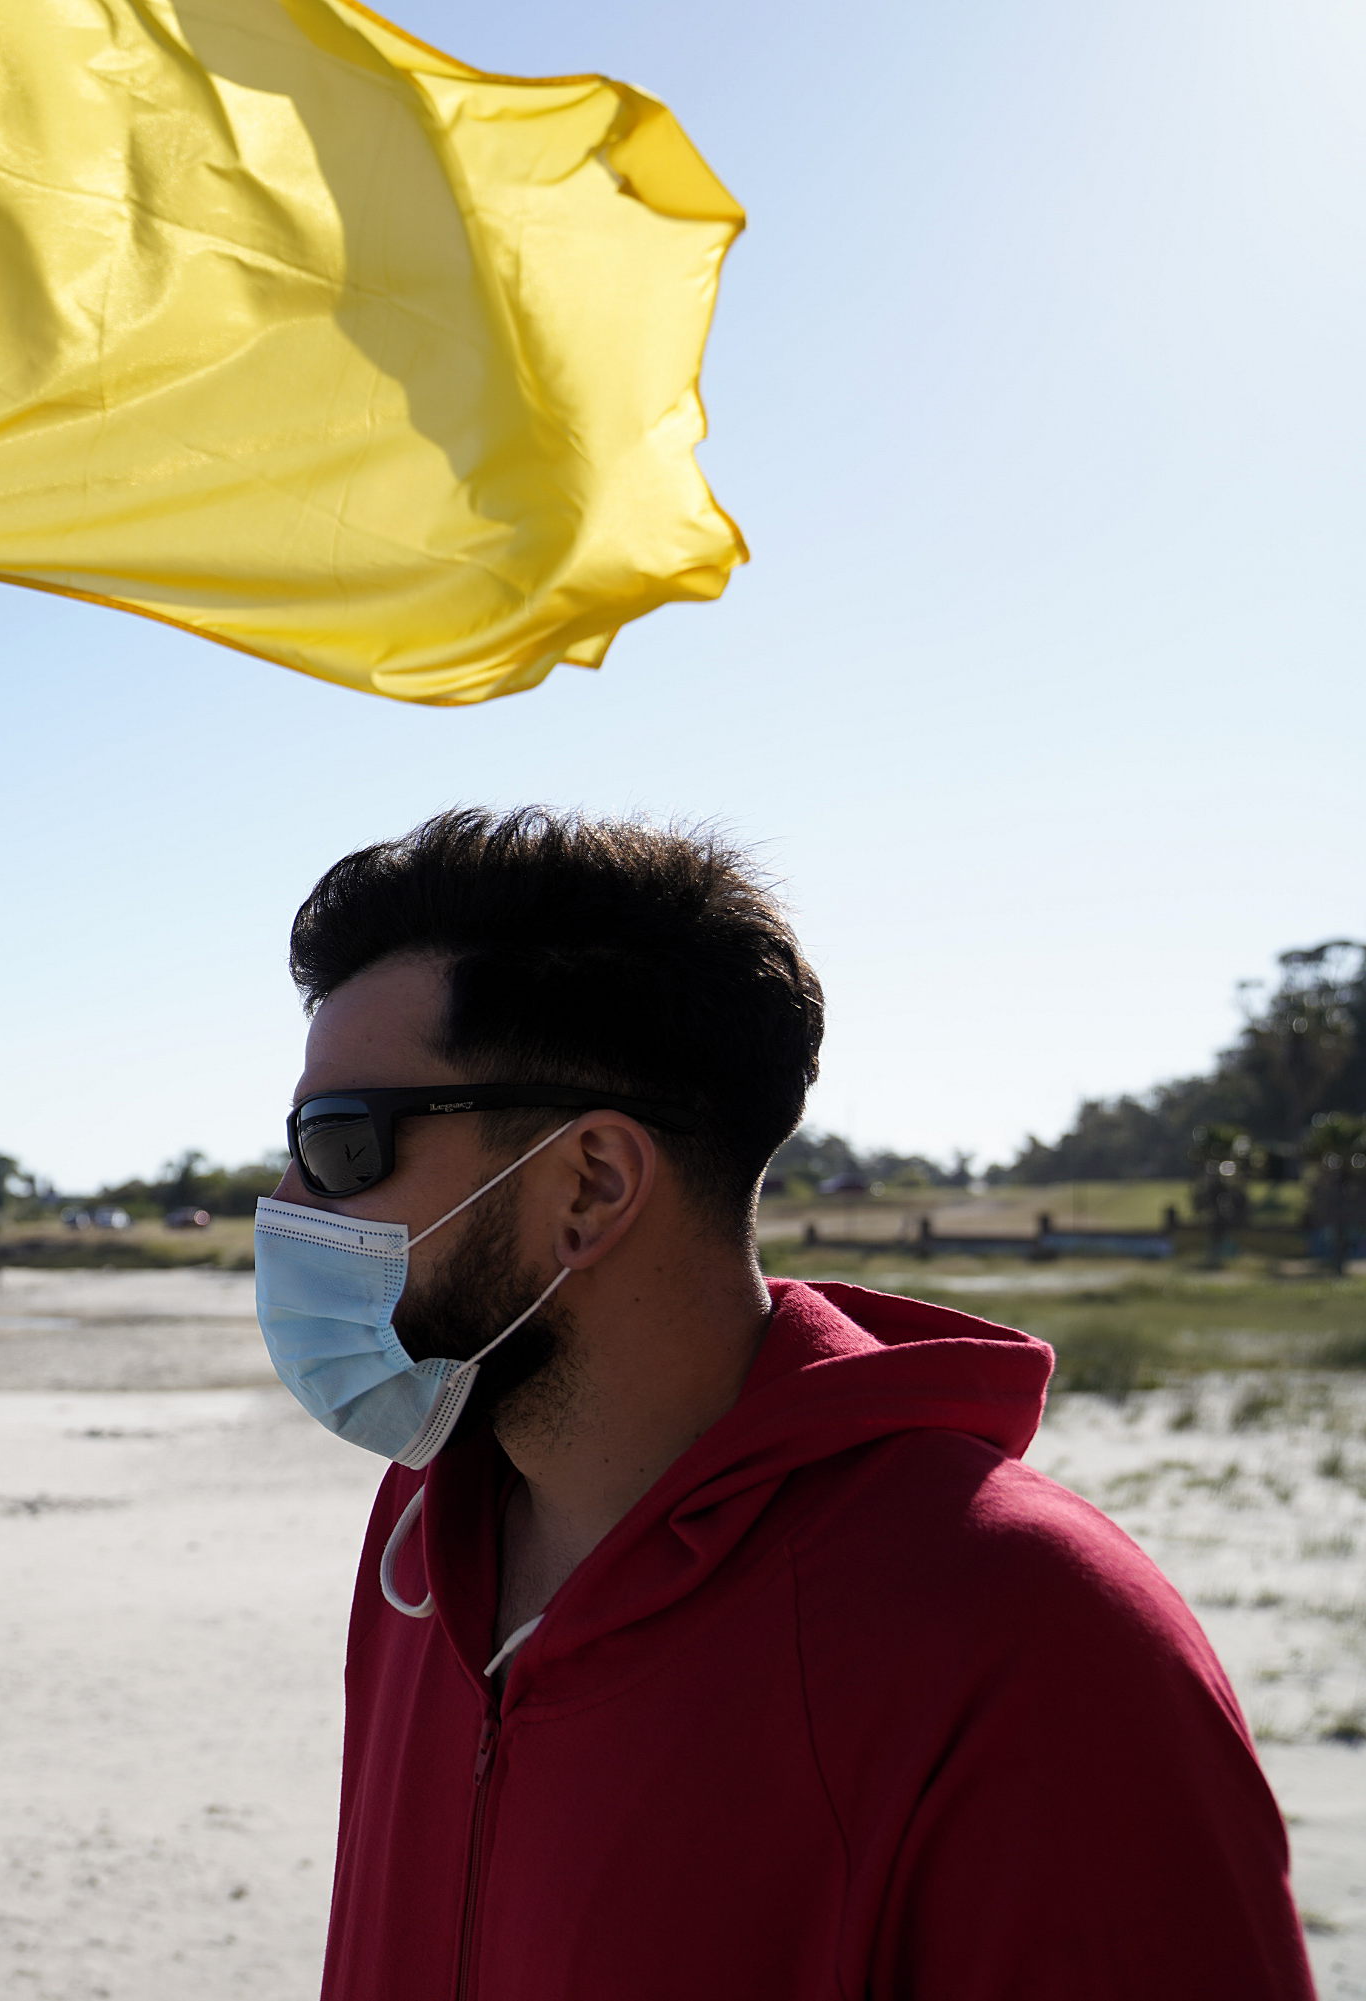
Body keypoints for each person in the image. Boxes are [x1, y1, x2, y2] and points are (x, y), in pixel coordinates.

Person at [255, 808, 1310, 1999]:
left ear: (590, 1184)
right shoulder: (420, 1538)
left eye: (339, 1147)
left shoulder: (1028, 1627)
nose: (288, 1203)